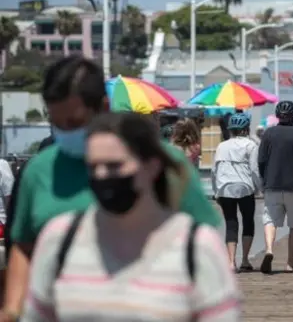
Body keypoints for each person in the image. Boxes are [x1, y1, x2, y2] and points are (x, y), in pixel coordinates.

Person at [2, 56, 222, 320]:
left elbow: (202, 248)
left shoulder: (162, 164)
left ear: (103, 108)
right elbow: (23, 248)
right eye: (57, 123)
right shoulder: (38, 171)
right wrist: (13, 310)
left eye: (75, 122)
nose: (65, 132)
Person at [21, 112, 241, 321]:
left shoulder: (197, 247)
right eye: (93, 166)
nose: (101, 175)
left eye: (114, 165)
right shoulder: (59, 239)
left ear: (152, 167)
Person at [257, 101, 293, 274]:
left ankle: (269, 250)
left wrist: (264, 180)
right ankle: (289, 263)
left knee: (270, 220)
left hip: (272, 185)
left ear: (277, 116)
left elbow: (261, 161)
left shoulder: (268, 134)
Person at [212, 112, 261, 273]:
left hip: (224, 188)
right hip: (245, 187)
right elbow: (254, 169)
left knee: (231, 224)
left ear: (230, 129)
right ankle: (245, 260)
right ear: (246, 128)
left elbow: (215, 171)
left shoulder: (221, 146)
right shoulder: (251, 145)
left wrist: (216, 191)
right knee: (248, 221)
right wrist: (259, 187)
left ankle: (231, 262)